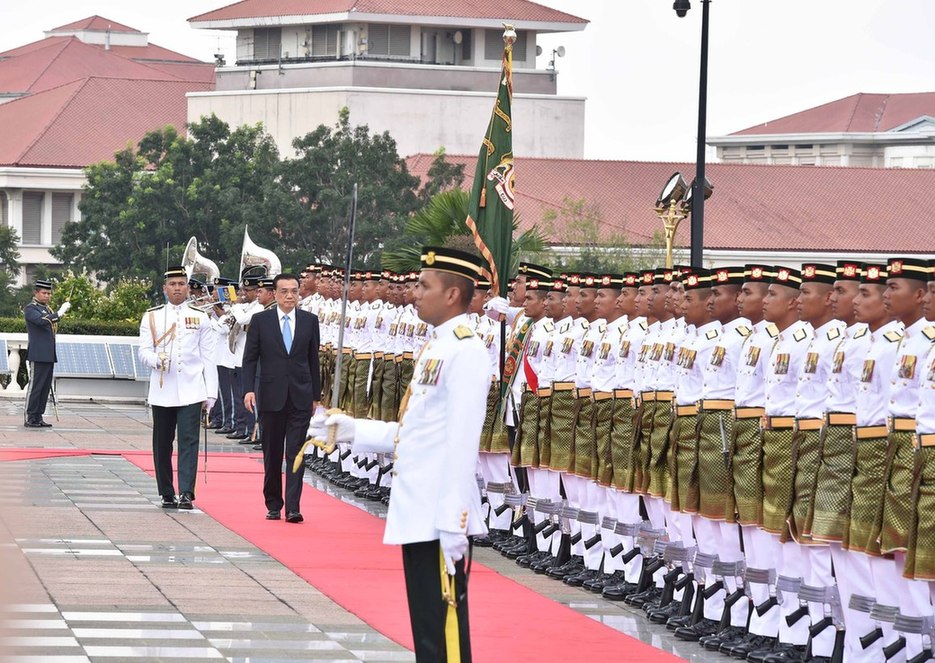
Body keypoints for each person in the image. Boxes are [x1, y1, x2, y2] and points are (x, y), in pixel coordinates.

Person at [313, 246, 490, 662]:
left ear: (451, 295)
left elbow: (462, 445)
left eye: (424, 285)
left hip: (439, 517)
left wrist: (453, 523)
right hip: (419, 511)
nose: (414, 292)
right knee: (428, 635)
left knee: (443, 639)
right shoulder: (438, 347)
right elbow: (417, 433)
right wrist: (351, 429)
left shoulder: (465, 351)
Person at [242, 273, 321, 524]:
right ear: (275, 294)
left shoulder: (310, 321)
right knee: (272, 452)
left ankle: (294, 508)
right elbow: (250, 358)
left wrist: (315, 395)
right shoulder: (261, 321)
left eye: (294, 291)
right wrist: (248, 389)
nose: (290, 295)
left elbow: (313, 360)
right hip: (270, 395)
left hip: (300, 395)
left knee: (296, 452)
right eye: (284, 291)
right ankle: (274, 503)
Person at [138, 266, 218, 509]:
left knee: (189, 441)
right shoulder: (152, 316)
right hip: (163, 390)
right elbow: (143, 349)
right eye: (172, 284)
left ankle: (186, 492)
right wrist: (154, 360)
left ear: (187, 287)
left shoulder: (200, 317)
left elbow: (209, 358)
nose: (177, 288)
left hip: (191, 389)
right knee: (162, 443)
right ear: (164, 288)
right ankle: (166, 491)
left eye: (181, 284)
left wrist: (211, 392)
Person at [23, 279, 70, 428]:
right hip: (37, 353)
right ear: (36, 293)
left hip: (48, 354)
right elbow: (42, 322)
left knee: (44, 387)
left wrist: (56, 313)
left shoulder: (47, 309)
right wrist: (60, 313)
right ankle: (30, 416)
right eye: (44, 293)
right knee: (35, 387)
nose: (47, 296)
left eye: (49, 293)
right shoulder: (31, 309)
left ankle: (38, 416)